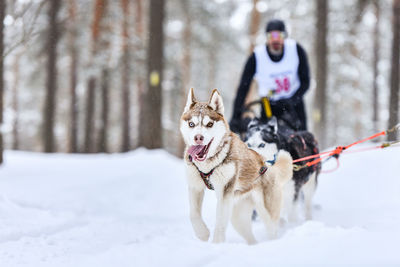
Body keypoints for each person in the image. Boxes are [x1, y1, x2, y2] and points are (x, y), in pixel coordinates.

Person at [230, 19, 310, 133]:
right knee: (269, 140)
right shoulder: (257, 56)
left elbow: (306, 82)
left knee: (301, 140)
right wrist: (235, 116)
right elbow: (243, 87)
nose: (276, 40)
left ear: (285, 37)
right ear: (267, 37)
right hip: (268, 105)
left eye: (280, 35)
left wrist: (292, 100)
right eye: (271, 36)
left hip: (294, 105)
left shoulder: (296, 50)